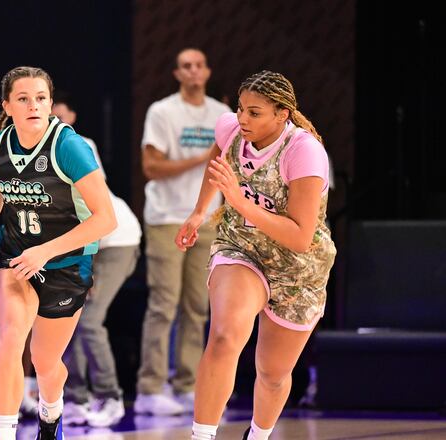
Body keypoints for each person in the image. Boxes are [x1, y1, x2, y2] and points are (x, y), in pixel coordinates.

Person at [176, 70, 336, 440]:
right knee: (225, 335)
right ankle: (202, 436)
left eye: (255, 112)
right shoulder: (231, 129)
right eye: (240, 109)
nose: (243, 119)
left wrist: (237, 200)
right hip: (242, 247)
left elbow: (299, 236)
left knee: (273, 372)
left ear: (282, 114)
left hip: (298, 268)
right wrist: (200, 211)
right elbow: (218, 159)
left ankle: (258, 435)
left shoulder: (304, 152)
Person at [0, 66, 116, 440]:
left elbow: (106, 219)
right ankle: (3, 432)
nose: (34, 105)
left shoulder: (69, 146)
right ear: (8, 105)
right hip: (14, 256)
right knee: (12, 337)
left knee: (45, 362)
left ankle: (50, 415)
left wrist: (45, 252)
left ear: (50, 103)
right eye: (23, 98)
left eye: (41, 98)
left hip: (65, 261)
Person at [136, 48, 231, 415]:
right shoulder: (163, 111)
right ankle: (150, 387)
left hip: (208, 218)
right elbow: (151, 166)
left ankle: (188, 384)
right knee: (163, 303)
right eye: (186, 66)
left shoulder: (222, 114)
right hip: (166, 217)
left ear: (208, 72)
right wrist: (204, 157)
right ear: (177, 73)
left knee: (198, 306)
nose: (193, 71)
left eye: (199, 65)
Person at [52, 95, 142, 427]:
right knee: (65, 318)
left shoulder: (77, 144)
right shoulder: (36, 157)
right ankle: (75, 398)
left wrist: (84, 268)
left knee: (89, 320)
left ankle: (110, 396)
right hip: (80, 244)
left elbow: (90, 206)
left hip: (115, 240)